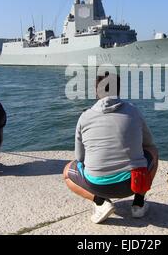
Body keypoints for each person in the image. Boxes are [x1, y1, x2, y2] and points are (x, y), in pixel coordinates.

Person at [63, 73, 159, 224]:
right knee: (153, 151)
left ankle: (101, 202)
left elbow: (80, 158)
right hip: (132, 183)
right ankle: (139, 204)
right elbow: (149, 143)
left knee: (67, 172)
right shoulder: (133, 111)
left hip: (97, 186)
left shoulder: (85, 116)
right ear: (119, 91)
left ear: (96, 91)